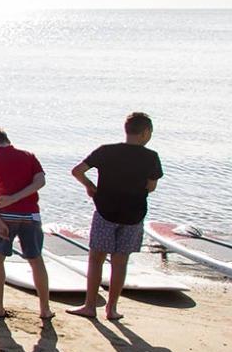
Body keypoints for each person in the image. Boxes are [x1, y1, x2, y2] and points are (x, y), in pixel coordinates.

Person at [67, 113, 163, 321]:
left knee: (96, 260)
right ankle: (111, 309)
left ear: (126, 129)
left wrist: (90, 186)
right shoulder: (151, 157)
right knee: (120, 263)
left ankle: (90, 306)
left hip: (105, 212)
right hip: (133, 214)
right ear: (146, 132)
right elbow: (152, 186)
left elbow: (77, 171)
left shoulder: (106, 151)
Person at [0, 128, 52, 319]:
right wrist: (17, 197)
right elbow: (40, 181)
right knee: (36, 260)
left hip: (6, 215)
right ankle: (45, 309)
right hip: (31, 215)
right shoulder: (28, 156)